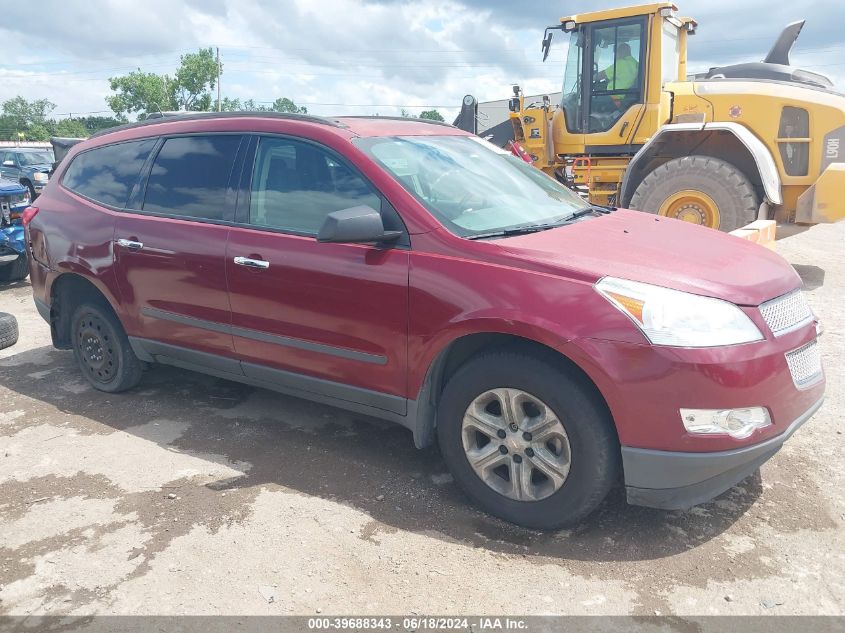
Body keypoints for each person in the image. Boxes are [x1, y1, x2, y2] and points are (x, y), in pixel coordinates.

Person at [597, 43, 639, 108]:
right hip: (625, 97)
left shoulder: (621, 63)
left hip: (615, 97)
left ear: (621, 52)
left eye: (616, 53)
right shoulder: (636, 64)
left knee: (592, 102)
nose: (616, 55)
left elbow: (602, 75)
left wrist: (590, 77)